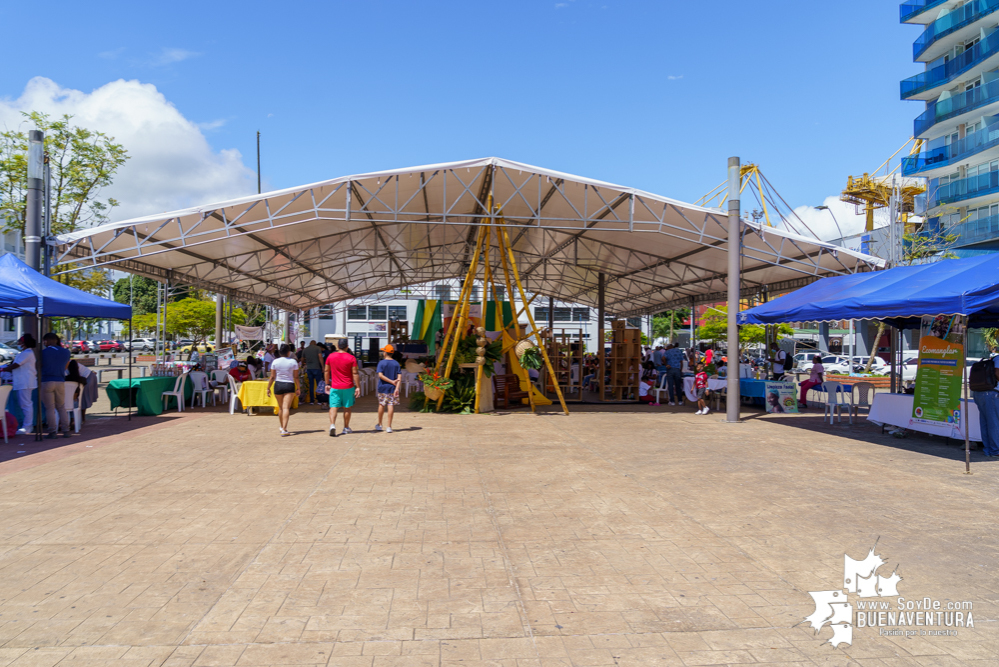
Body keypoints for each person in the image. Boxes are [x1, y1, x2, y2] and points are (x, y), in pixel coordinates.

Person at [325, 337, 361, 437]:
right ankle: (346, 427)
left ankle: (332, 425)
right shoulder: (351, 358)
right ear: (347, 347)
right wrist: (357, 386)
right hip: (348, 386)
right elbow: (355, 373)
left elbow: (326, 371)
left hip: (335, 386)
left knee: (333, 407)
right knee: (347, 408)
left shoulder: (330, 357)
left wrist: (327, 383)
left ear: (337, 346)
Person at [39, 333, 71, 439]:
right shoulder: (66, 352)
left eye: (45, 341)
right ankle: (66, 430)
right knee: (61, 407)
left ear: (47, 340)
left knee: (50, 408)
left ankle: (52, 431)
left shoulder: (43, 353)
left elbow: (37, 366)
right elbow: (66, 365)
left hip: (47, 381)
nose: (44, 343)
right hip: (60, 381)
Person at [4, 335, 37, 435]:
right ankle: (27, 425)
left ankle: (28, 427)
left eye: (19, 341)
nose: (18, 343)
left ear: (24, 342)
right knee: (25, 404)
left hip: (25, 382)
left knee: (26, 404)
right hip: (22, 381)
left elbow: (16, 365)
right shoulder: (24, 353)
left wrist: (3, 369)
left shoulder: (27, 353)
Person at [266, 344, 300, 437]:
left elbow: (272, 376)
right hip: (289, 384)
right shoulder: (293, 362)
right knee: (286, 408)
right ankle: (284, 429)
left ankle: (282, 427)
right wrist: (298, 388)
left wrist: (268, 388)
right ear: (289, 352)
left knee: (280, 407)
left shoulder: (275, 361)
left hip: (278, 384)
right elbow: (296, 377)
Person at [973, 345, 999, 458]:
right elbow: (997, 373)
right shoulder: (998, 359)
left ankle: (988, 450)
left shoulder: (994, 358)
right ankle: (995, 451)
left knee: (985, 423)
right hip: (991, 394)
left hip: (980, 393)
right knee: (994, 423)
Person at [375, 344, 401, 433]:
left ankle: (379, 424)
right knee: (390, 405)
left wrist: (391, 381)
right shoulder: (396, 363)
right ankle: (389, 426)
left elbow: (380, 375)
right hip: (392, 388)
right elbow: (399, 378)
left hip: (382, 387)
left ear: (385, 353)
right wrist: (397, 387)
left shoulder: (381, 363)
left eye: (383, 351)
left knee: (381, 404)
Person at [302, 340, 324, 405]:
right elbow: (320, 357)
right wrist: (323, 366)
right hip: (317, 368)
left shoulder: (305, 349)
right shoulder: (318, 348)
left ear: (309, 343)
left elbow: (302, 358)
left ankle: (311, 400)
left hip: (309, 369)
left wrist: (303, 364)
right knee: (318, 385)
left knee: (311, 385)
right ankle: (319, 400)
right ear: (315, 343)